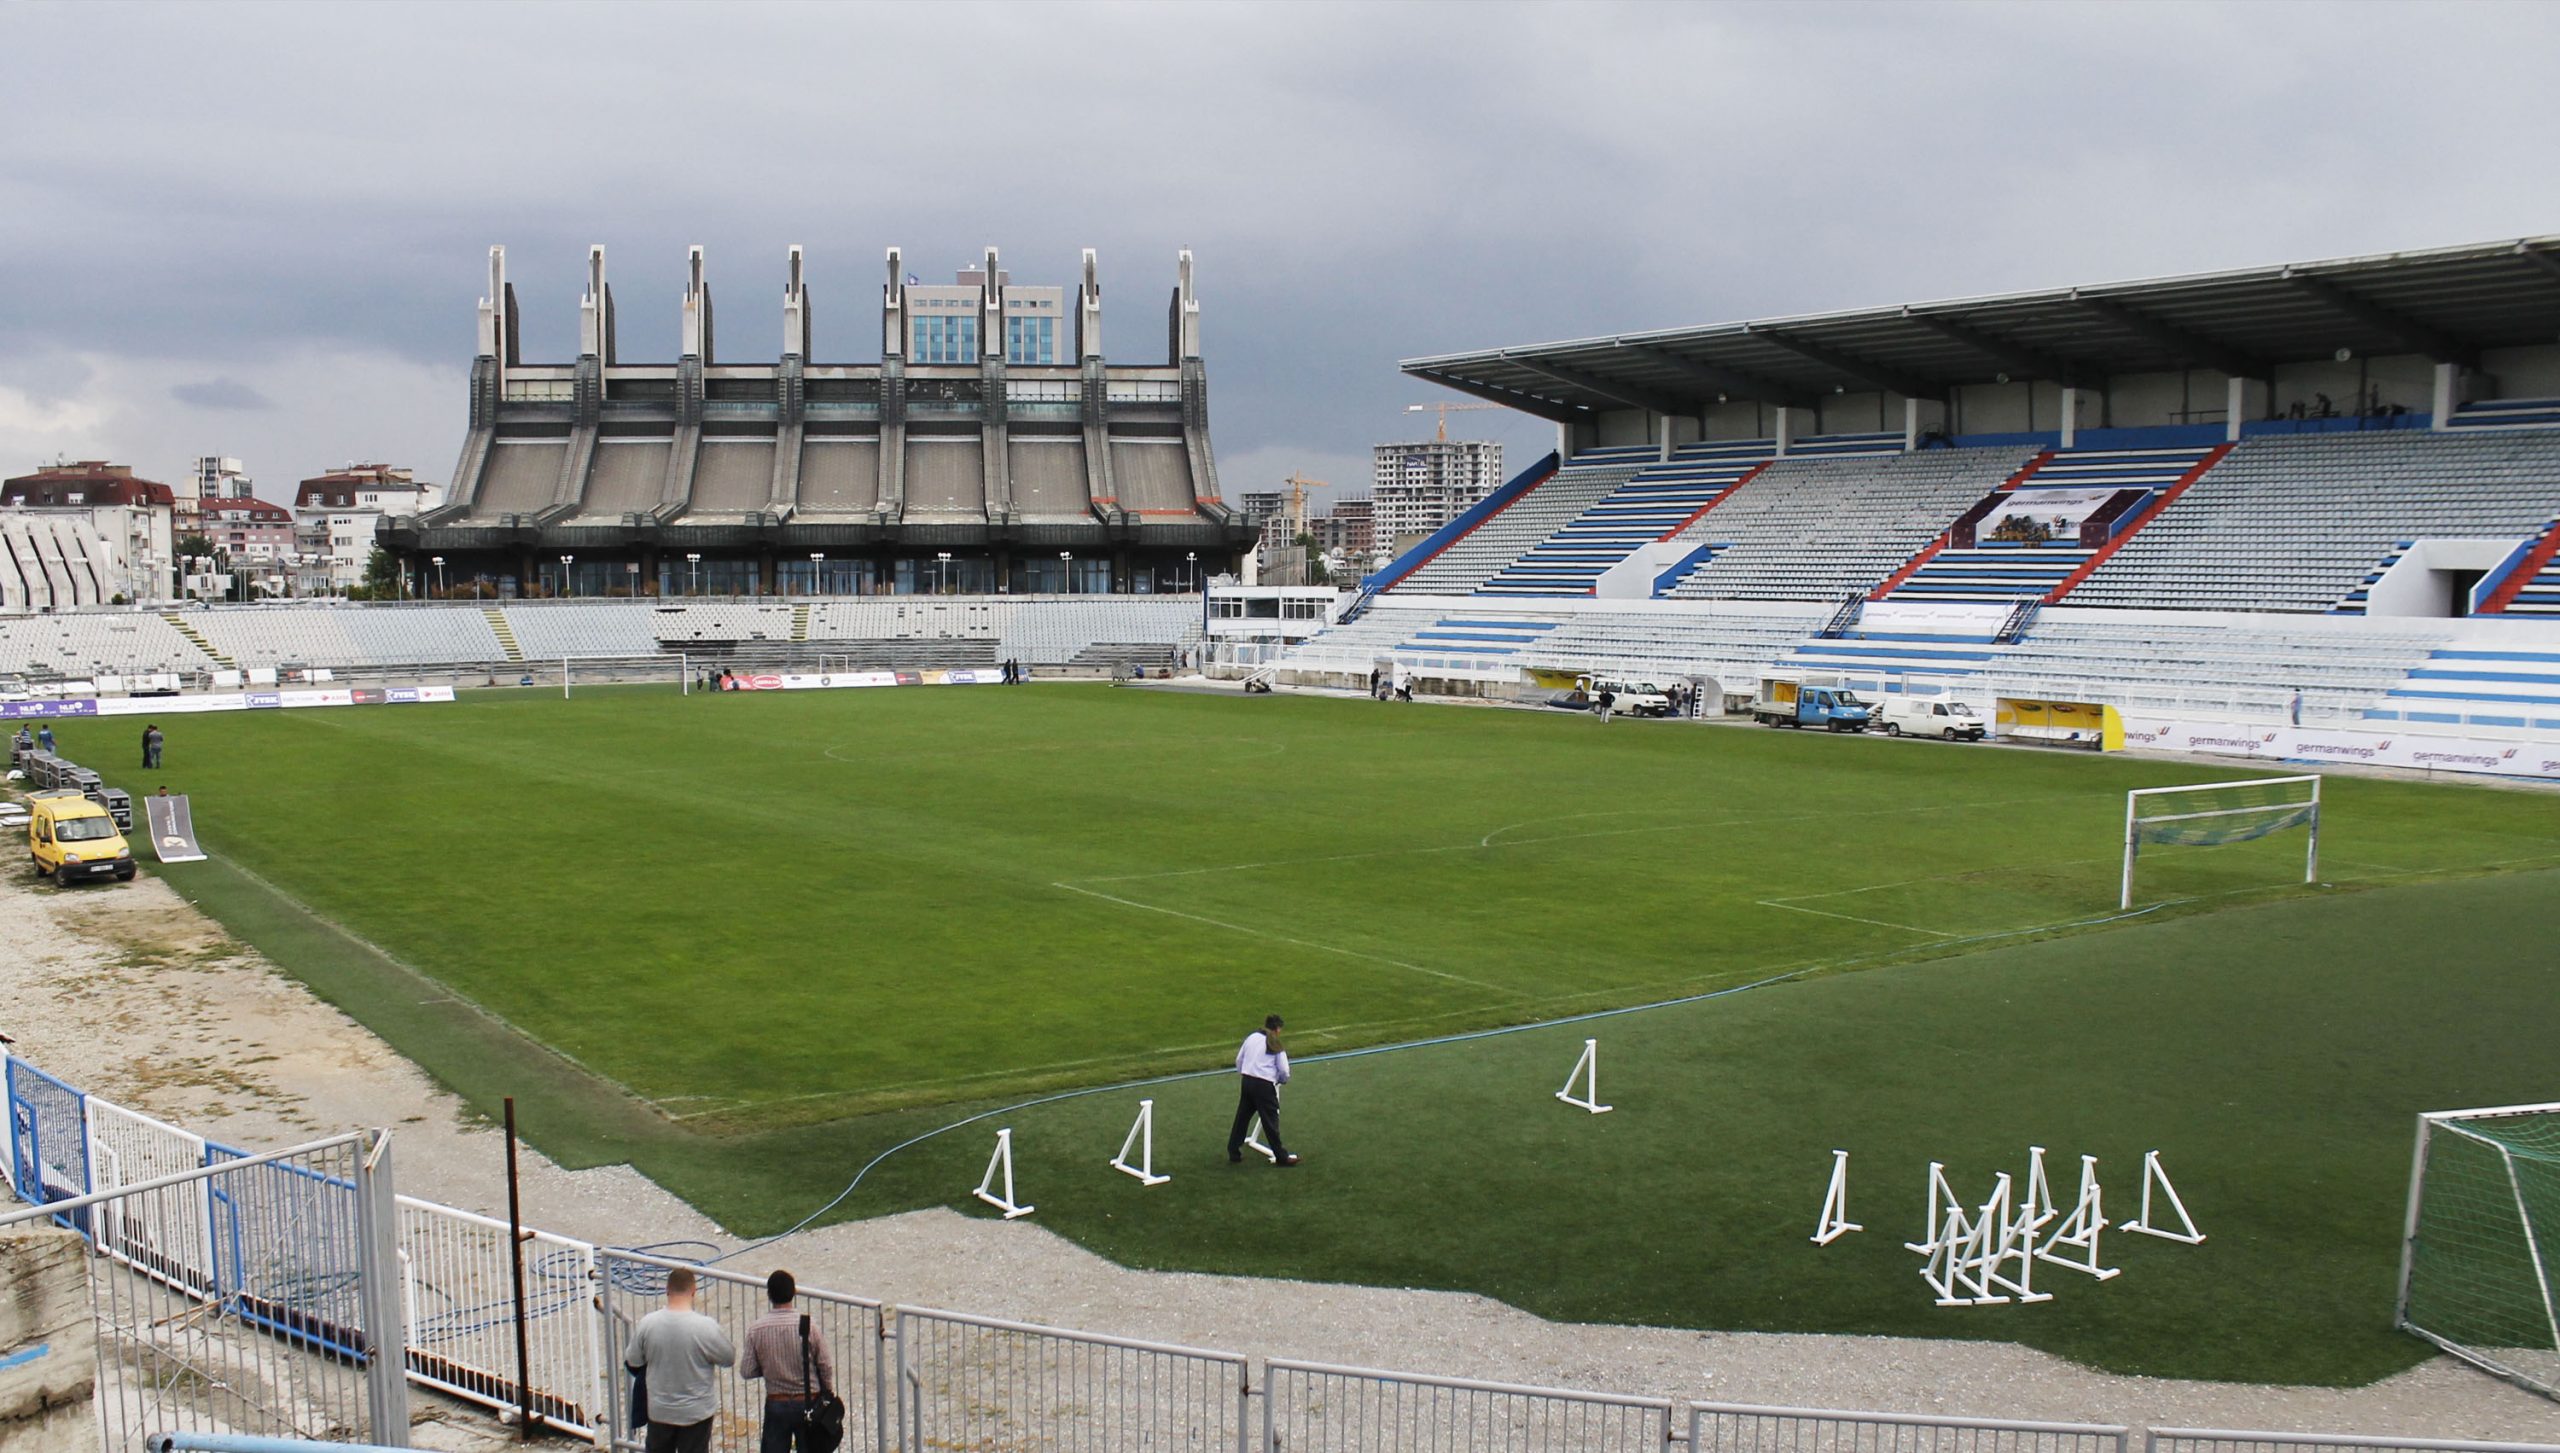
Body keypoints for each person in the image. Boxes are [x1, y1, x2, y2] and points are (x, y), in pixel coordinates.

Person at [623, 1267, 736, 1453]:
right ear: (693, 1291)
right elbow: (728, 1357)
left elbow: (633, 1361)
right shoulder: (705, 1327)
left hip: (660, 1410)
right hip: (697, 1412)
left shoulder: (648, 1324)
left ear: (667, 1290)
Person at [739, 1269, 834, 1453]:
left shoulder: (757, 1329)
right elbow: (825, 1364)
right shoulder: (809, 1325)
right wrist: (828, 1393)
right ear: (794, 1292)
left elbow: (747, 1370)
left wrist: (768, 1366)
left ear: (769, 1295)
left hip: (776, 1401)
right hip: (808, 1401)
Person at [1227, 1014, 1300, 1167]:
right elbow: (1284, 1070)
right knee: (1270, 1120)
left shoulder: (1252, 1037)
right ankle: (1281, 1156)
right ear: (1278, 1029)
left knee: (1242, 1117)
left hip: (1247, 1081)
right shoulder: (1274, 1043)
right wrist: (1281, 1080)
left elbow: (1239, 1059)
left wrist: (1245, 1073)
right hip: (1264, 1085)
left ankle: (1233, 1150)